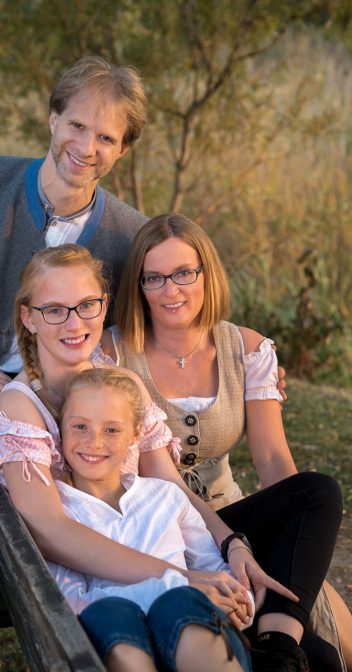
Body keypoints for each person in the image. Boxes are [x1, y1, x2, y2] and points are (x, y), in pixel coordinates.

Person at [0, 244, 341, 672]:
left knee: (314, 504)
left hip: (162, 549)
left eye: (87, 305)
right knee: (315, 654)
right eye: (55, 310)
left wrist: (229, 544)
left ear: (104, 306)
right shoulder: (22, 407)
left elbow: (170, 487)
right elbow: (51, 530)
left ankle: (276, 641)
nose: (74, 322)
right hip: (103, 593)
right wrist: (179, 577)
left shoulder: (119, 383)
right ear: (28, 317)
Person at [0, 56, 149, 671]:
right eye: (77, 126)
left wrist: (248, 354)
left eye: (106, 137)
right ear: (52, 117)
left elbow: (163, 319)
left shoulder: (126, 235)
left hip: (47, 408)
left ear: (121, 151)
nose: (86, 147)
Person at [110, 212, 351, 670]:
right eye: (154, 278)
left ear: (206, 273)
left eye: (184, 273)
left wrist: (292, 532)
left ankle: (279, 648)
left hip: (233, 516)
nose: (171, 290)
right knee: (318, 651)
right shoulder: (113, 353)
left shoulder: (247, 349)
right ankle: (279, 647)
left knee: (317, 493)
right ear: (138, 286)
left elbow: (273, 458)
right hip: (161, 532)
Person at [6, 367, 255, 672]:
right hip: (118, 644)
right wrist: (173, 584)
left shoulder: (165, 497)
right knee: (111, 611)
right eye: (80, 426)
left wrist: (238, 601)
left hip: (196, 639)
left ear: (136, 433)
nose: (94, 442)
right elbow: (69, 603)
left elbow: (215, 574)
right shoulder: (60, 513)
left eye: (112, 429)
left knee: (177, 606)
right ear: (60, 430)